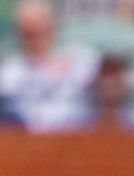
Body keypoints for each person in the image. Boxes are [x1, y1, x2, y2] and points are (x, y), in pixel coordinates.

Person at [0, 2, 97, 133]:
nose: (34, 40)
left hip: (77, 139)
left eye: (38, 30)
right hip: (27, 143)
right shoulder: (10, 71)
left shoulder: (80, 60)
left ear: (51, 27)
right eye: (27, 34)